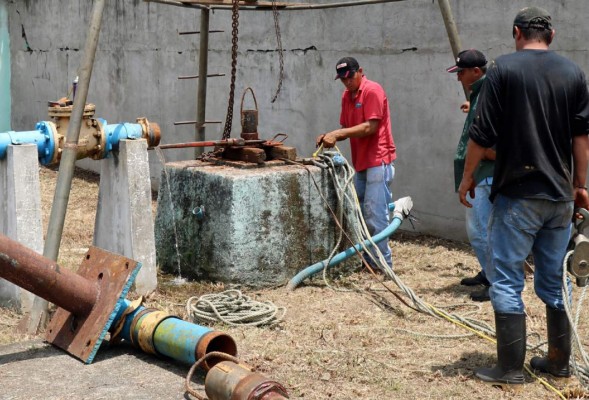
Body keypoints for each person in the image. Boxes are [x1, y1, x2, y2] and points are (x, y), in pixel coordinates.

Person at [458, 6, 589, 388]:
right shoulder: (573, 72)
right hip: (560, 196)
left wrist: (467, 178)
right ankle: (558, 362)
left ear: (517, 32)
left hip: (518, 194)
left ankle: (511, 368)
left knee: (505, 279)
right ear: (552, 34)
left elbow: (480, 135)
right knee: (552, 281)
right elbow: (582, 136)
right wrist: (580, 185)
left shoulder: (503, 69)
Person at [316, 57, 397, 269]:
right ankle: (369, 260)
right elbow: (346, 127)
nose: (347, 82)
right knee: (360, 213)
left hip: (378, 159)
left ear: (360, 71)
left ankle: (382, 264)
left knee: (375, 214)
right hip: (361, 162)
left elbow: (370, 127)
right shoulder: (347, 96)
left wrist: (338, 133)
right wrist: (330, 135)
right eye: (343, 79)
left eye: (350, 77)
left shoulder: (372, 90)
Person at [447, 49, 494, 302]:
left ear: (476, 72)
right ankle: (490, 274)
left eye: (461, 73)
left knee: (480, 231)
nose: (458, 78)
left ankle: (496, 282)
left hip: (485, 172)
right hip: (481, 172)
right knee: (480, 229)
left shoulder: (489, 91)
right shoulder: (481, 92)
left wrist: (489, 154)